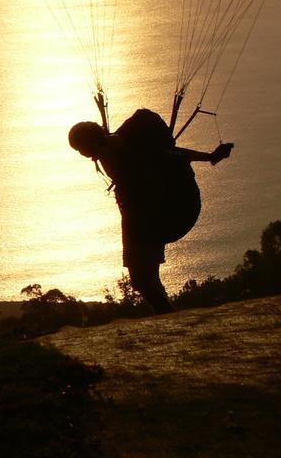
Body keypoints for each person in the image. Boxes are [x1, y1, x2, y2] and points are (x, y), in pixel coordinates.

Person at [69, 109, 233, 314]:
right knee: (143, 279)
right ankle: (167, 315)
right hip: (138, 215)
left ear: (89, 143)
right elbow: (170, 154)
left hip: (150, 215)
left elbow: (173, 155)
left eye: (80, 149)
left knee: (142, 279)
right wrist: (209, 157)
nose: (82, 155)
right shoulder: (109, 148)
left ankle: (168, 316)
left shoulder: (126, 148)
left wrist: (209, 157)